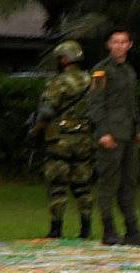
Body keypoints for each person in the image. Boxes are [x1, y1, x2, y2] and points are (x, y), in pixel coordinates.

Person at [35, 41, 95, 241]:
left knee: (58, 185)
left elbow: (47, 111)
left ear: (65, 59)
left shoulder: (59, 82)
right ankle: (86, 229)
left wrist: (35, 132)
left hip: (60, 140)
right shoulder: (90, 80)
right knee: (82, 185)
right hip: (84, 139)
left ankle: (56, 229)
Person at [90, 29, 138, 247]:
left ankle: (132, 229)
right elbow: (96, 104)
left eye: (123, 42)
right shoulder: (101, 71)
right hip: (111, 134)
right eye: (115, 42)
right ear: (109, 45)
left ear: (129, 45)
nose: (119, 46)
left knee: (129, 183)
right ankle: (109, 230)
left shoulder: (129, 71)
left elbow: (131, 104)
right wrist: (103, 132)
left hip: (128, 134)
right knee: (108, 183)